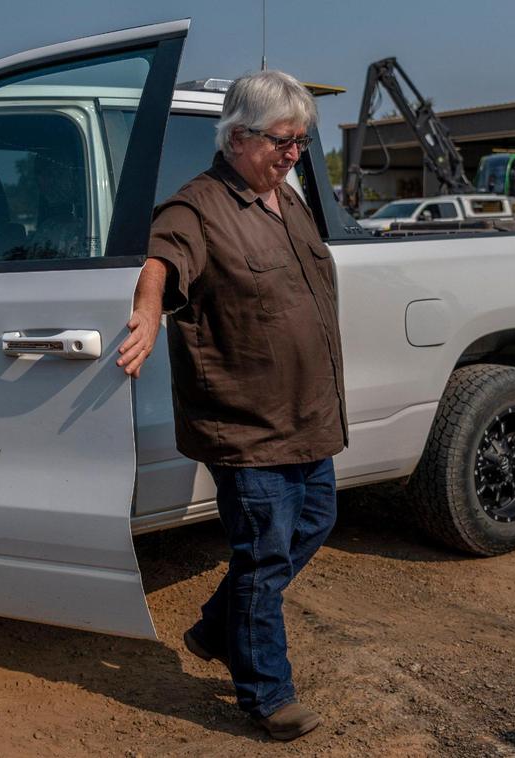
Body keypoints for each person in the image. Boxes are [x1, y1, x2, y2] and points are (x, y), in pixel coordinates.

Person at [117, 70, 347, 741]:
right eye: (282, 139)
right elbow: (161, 259)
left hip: (308, 415)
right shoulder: (199, 206)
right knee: (265, 556)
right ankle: (268, 696)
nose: (293, 152)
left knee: (315, 524)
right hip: (247, 426)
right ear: (239, 136)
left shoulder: (288, 199)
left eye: (301, 140)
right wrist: (147, 310)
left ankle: (220, 628)